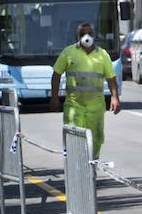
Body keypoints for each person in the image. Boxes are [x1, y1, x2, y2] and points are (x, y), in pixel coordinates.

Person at [49, 22, 120, 158]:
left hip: (96, 107)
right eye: (82, 34)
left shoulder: (102, 55)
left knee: (95, 140)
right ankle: (77, 172)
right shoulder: (68, 52)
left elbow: (111, 77)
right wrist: (54, 97)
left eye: (89, 34)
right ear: (78, 36)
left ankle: (90, 170)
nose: (86, 37)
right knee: (74, 139)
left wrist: (115, 97)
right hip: (74, 106)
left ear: (94, 36)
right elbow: (56, 74)